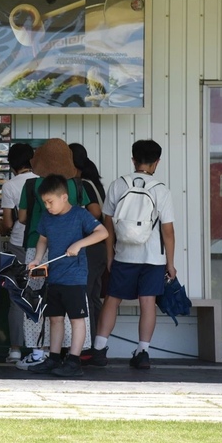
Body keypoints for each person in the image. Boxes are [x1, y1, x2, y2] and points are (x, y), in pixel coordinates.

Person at [87, 139, 176, 370]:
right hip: (153, 258)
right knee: (148, 303)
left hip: (124, 255)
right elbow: (168, 231)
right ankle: (143, 352)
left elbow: (107, 226)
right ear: (157, 162)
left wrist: (109, 256)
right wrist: (171, 263)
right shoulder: (161, 190)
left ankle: (98, 349)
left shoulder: (118, 185)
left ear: (133, 159)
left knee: (112, 300)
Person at [15, 139, 95, 369]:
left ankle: (40, 353)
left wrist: (37, 258)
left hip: (36, 248)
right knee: (69, 312)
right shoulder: (75, 185)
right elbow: (92, 210)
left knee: (37, 303)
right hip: (68, 251)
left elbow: (22, 218)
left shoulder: (32, 185)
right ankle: (71, 353)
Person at [25, 174, 108, 377]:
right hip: (54, 277)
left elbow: (102, 232)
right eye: (44, 202)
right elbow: (42, 240)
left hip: (75, 278)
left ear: (64, 197)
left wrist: (79, 244)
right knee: (54, 319)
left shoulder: (80, 215)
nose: (47, 206)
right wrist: (37, 259)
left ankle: (73, 360)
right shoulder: (46, 218)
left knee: (77, 320)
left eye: (50, 202)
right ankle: (54, 358)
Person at [0, 143, 36, 364]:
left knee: (16, 296)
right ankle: (39, 348)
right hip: (38, 243)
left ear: (11, 163)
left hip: (17, 244)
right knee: (38, 294)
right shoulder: (42, 181)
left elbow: (8, 222)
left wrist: (0, 228)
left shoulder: (10, 185)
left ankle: (14, 349)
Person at [69, 142, 109, 343]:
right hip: (99, 249)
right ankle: (96, 345)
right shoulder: (94, 182)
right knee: (93, 298)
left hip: (90, 247)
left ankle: (86, 346)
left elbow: (95, 213)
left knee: (84, 297)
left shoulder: (83, 184)